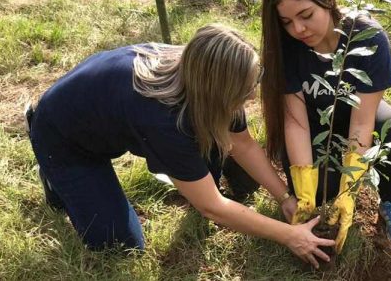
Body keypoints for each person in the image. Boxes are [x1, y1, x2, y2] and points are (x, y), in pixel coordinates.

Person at [27, 24, 334, 268]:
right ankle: (54, 175)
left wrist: (283, 197)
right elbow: (212, 207)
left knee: (210, 139)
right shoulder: (165, 120)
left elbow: (242, 144)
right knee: (119, 245)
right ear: (218, 90)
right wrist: (290, 236)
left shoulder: (207, 72)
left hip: (99, 106)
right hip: (63, 137)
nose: (251, 98)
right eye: (244, 92)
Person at [260, 0, 391, 253]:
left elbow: (362, 120)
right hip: (310, 127)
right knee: (319, 195)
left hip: (352, 116)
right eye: (287, 22)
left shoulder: (367, 39)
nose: (298, 30)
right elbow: (295, 121)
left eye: (306, 15)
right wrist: (304, 184)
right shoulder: (287, 49)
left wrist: (350, 188)